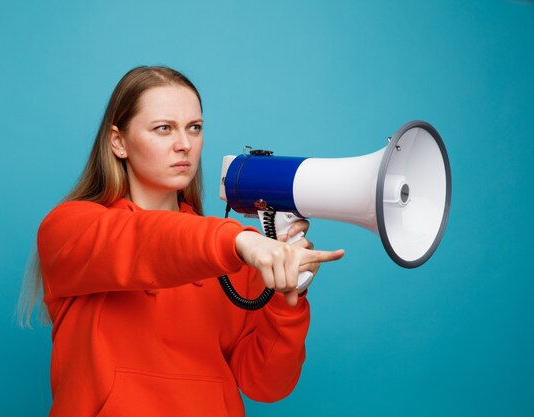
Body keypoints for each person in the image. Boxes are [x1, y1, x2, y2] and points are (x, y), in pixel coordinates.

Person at [20, 65, 344, 417]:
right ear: (119, 141)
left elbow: (265, 385)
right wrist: (238, 242)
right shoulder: (68, 228)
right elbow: (142, 241)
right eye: (164, 129)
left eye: (195, 128)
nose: (184, 144)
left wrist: (286, 297)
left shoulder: (238, 253)